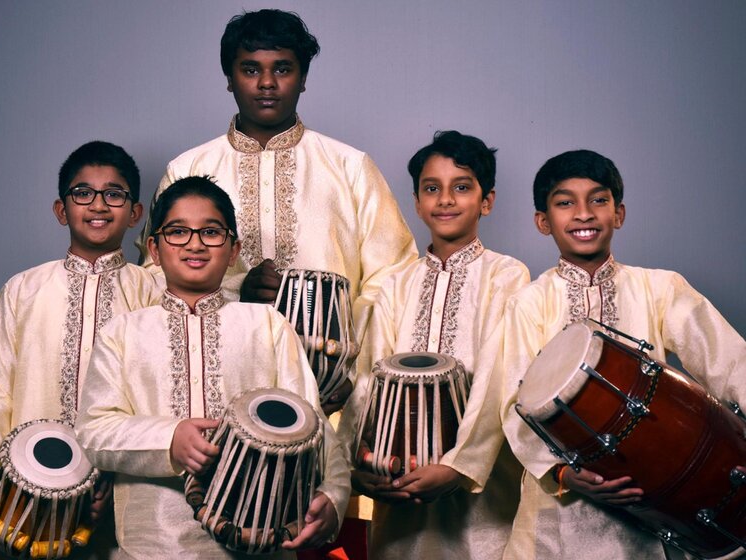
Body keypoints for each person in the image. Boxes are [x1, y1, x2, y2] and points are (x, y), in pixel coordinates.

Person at [137, 9, 417, 414]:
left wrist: (347, 372)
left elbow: (393, 282)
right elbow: (150, 279)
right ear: (229, 78)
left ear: (303, 79)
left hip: (333, 398)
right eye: (250, 69)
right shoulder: (188, 169)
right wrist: (235, 291)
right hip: (214, 388)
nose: (267, 83)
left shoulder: (349, 166)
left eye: (282, 69)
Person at [76, 176, 351, 559]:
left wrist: (333, 496)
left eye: (210, 232)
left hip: (259, 543)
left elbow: (313, 423)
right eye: (177, 232)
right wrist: (170, 439)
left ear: (234, 247)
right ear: (153, 248)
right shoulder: (122, 333)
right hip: (151, 548)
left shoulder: (267, 325)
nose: (194, 243)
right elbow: (93, 432)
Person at [499, 149, 746, 560]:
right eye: (565, 203)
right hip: (555, 520)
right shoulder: (528, 303)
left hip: (654, 499)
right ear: (543, 221)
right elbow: (511, 403)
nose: (583, 214)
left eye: (598, 199)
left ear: (620, 213)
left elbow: (731, 362)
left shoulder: (660, 288)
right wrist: (562, 473)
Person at [0, 141, 164, 559]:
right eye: (83, 193)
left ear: (136, 214)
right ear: (62, 210)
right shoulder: (23, 290)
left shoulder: (153, 292)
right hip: (31, 505)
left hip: (125, 499)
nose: (98, 205)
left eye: (114, 194)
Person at [339, 131, 529, 558]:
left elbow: (500, 379)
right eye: (432, 188)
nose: (445, 200)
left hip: (482, 490)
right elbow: (369, 377)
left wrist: (459, 466)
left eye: (461, 187)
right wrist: (355, 464)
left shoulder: (507, 276)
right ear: (417, 201)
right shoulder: (396, 284)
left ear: (487, 201)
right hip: (399, 481)